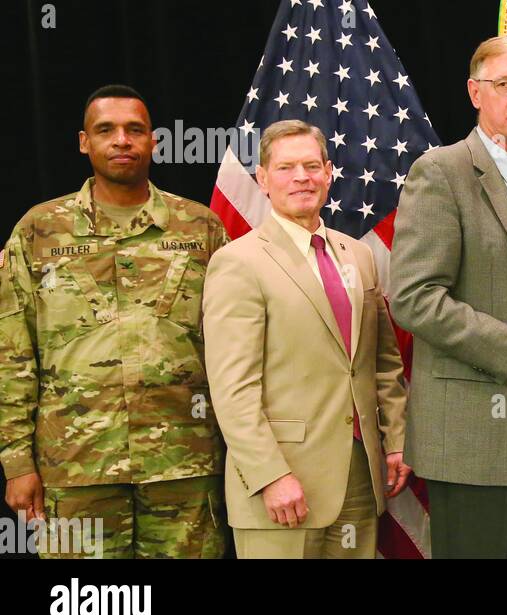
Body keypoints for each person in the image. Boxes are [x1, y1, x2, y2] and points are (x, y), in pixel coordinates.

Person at [0, 85, 230, 558]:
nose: (121, 140)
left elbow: (236, 345)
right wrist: (17, 461)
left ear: (154, 143)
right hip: (75, 465)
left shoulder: (200, 228)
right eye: (106, 130)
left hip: (184, 466)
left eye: (135, 130)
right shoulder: (39, 230)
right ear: (84, 142)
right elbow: (12, 352)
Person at [390, 36, 507, 558]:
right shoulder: (441, 172)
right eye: (503, 85)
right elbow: (414, 297)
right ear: (475, 93)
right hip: (474, 435)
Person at [203, 120, 409, 559]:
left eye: (312, 166)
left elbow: (383, 363)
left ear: (329, 172)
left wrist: (395, 442)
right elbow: (232, 389)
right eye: (286, 168)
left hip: (358, 474)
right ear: (262, 178)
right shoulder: (237, 263)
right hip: (280, 485)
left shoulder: (358, 255)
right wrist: (269, 476)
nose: (302, 177)